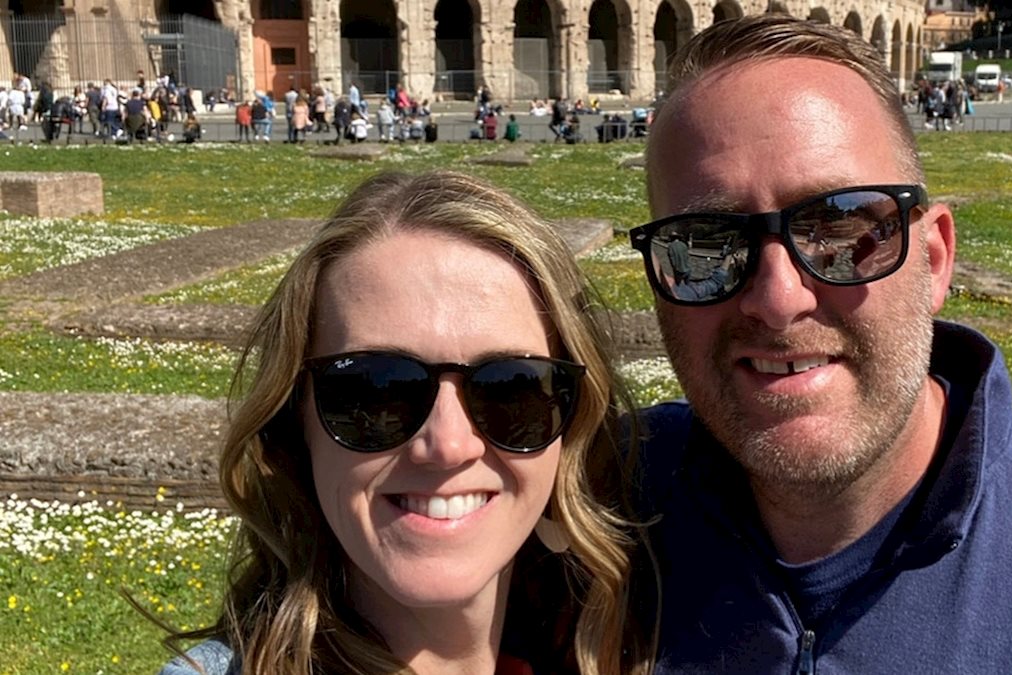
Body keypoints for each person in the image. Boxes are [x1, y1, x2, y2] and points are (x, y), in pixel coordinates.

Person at [627, 15, 1012, 673]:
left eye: (839, 227)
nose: (778, 299)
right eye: (704, 243)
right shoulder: (593, 515)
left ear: (934, 259)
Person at [155, 171, 657, 674]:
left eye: (512, 388)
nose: (448, 445)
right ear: (293, 424)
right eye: (377, 390)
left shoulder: (621, 645)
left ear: (573, 423)